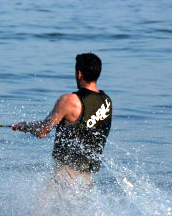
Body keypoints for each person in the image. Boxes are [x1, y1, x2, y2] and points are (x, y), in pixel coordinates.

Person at [12, 52, 113, 187]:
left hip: (65, 176)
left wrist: (24, 126)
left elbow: (43, 130)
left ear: (79, 74)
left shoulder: (70, 101)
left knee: (43, 208)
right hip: (88, 179)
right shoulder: (106, 101)